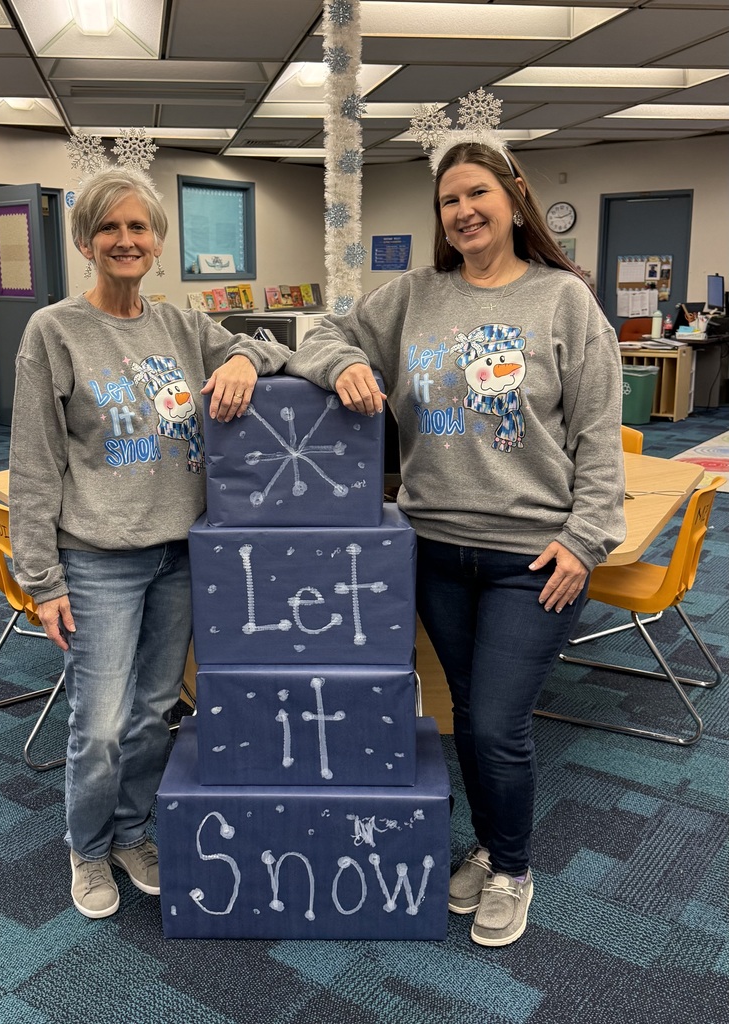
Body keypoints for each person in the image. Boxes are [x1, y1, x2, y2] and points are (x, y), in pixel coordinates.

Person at [287, 138, 626, 946]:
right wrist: (340, 366)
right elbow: (320, 336)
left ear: (513, 198)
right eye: (448, 201)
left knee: (493, 723)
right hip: (435, 548)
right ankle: (487, 844)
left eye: (477, 194)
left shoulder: (562, 300)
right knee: (468, 710)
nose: (463, 211)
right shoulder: (414, 296)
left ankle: (511, 867)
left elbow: (598, 433)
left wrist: (584, 541)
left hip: (533, 558)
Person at [9, 168, 290, 919]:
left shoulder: (178, 326)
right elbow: (33, 461)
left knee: (152, 711)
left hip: (179, 555)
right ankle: (88, 847)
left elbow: (263, 346)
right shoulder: (55, 330)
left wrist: (235, 359)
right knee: (98, 723)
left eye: (139, 228)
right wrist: (42, 580)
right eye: (110, 228)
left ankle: (133, 833)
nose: (125, 240)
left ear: (158, 243)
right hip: (98, 558)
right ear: (85, 241)